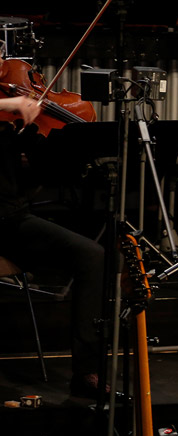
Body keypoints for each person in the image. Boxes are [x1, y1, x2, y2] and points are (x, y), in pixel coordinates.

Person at [0, 95, 106, 398]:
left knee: (92, 255)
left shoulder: (10, 126)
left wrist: (40, 143)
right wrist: (9, 104)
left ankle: (86, 371)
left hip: (12, 221)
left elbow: (40, 174)